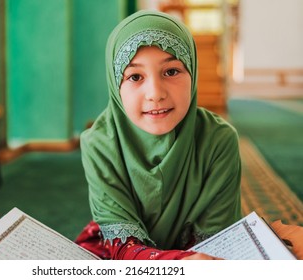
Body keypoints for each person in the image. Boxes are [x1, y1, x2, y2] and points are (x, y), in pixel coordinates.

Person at [75, 9, 242, 260]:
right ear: (115, 85)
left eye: (171, 71)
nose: (155, 93)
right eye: (135, 76)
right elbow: (123, 248)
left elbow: (216, 242)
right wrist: (180, 264)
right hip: (123, 249)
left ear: (192, 74)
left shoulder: (219, 139)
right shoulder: (98, 143)